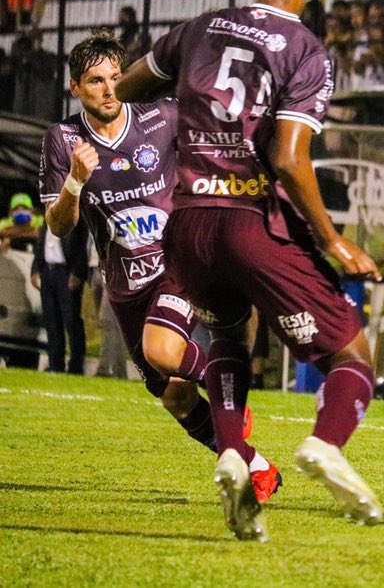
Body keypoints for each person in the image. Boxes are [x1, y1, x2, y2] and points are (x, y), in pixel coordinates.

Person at [116, 0, 383, 542]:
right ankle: (324, 445)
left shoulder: (198, 28)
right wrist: (332, 239)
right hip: (250, 220)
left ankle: (235, 455)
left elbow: (129, 87)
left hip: (187, 224)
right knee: (351, 355)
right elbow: (288, 158)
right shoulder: (306, 50)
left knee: (229, 337)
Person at [37, 33, 280, 499]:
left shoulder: (162, 116)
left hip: (179, 260)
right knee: (175, 396)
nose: (109, 89)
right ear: (75, 88)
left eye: (116, 78)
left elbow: (220, 134)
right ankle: (257, 466)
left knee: (164, 350)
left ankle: (228, 391)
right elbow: (59, 225)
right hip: (125, 284)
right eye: (96, 81)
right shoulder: (63, 140)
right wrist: (75, 183)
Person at [31, 220, 88, 374]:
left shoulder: (74, 218)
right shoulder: (48, 218)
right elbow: (41, 244)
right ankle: (55, 364)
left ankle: (76, 366)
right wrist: (35, 269)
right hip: (48, 272)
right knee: (52, 321)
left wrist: (78, 272)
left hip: (66, 272)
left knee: (71, 320)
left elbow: (82, 246)